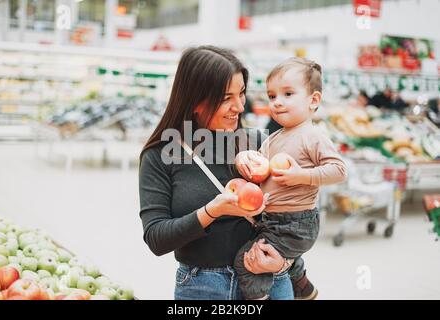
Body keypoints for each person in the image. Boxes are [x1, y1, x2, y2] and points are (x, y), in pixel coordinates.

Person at [139, 46, 294, 300]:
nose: (239, 106)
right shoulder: (160, 156)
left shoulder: (258, 146)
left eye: (241, 93)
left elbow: (294, 213)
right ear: (195, 100)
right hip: (203, 288)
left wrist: (287, 263)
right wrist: (212, 211)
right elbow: (156, 238)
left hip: (269, 282)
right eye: (226, 98)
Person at [234, 57, 348, 300]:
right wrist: (245, 160)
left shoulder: (312, 136)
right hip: (271, 219)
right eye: (272, 96)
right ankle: (303, 286)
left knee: (246, 261)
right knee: (280, 256)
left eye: (287, 94)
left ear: (313, 100)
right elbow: (259, 171)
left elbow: (338, 170)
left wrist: (302, 176)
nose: (277, 103)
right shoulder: (273, 139)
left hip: (297, 222)